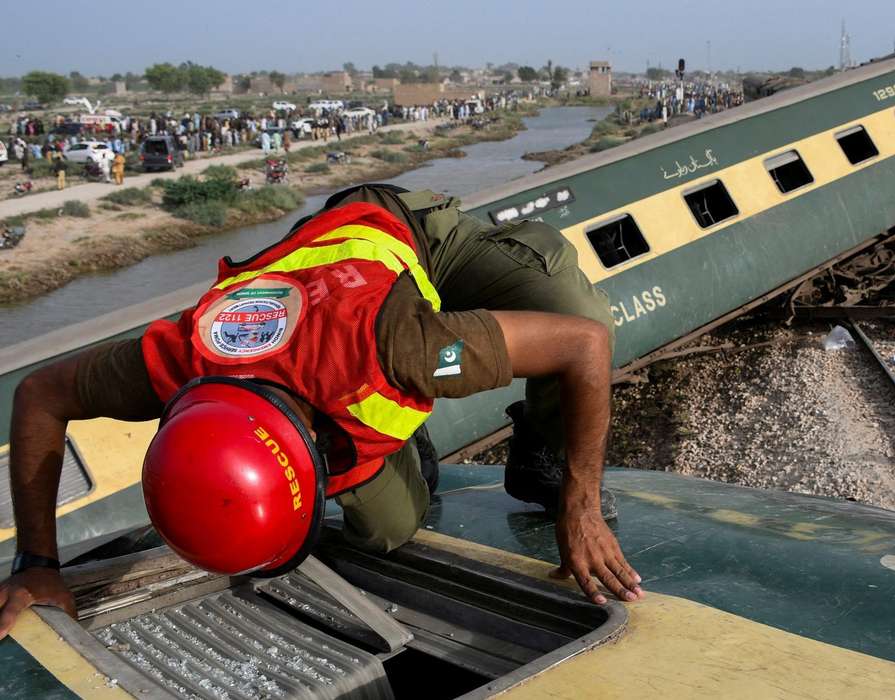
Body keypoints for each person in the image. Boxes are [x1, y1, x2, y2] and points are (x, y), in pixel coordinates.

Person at [0, 184, 642, 638]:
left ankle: (542, 459)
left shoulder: (399, 349)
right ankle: (401, 446)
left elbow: (584, 348)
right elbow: (39, 394)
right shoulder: (180, 356)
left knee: (575, 310)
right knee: (390, 529)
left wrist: (579, 505)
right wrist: (38, 565)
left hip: (400, 233)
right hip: (311, 290)